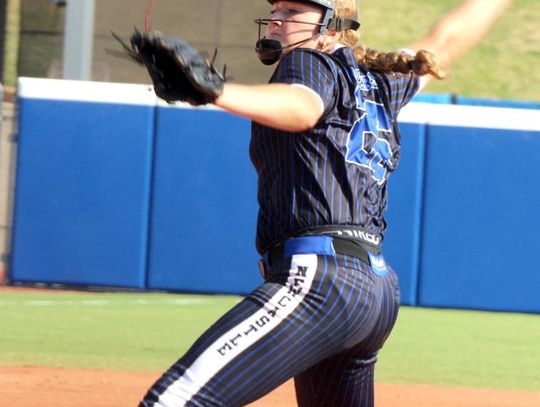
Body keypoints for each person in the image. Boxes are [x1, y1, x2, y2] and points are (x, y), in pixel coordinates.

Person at [139, 0, 511, 405]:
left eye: (294, 13)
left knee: (174, 400)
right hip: (375, 291)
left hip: (321, 281)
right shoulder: (383, 77)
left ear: (332, 26)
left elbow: (302, 107)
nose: (279, 20)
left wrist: (215, 90)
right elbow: (446, 39)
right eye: (277, 9)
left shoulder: (308, 60)